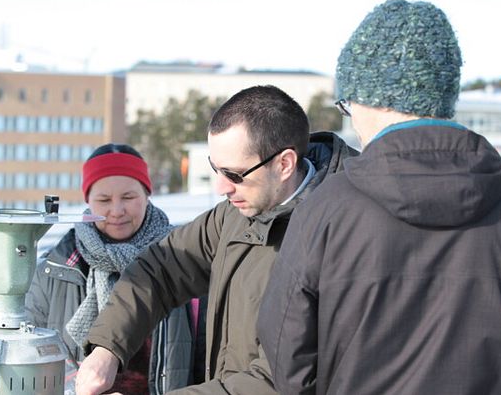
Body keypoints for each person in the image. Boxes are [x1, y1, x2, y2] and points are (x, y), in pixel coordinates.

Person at [257, 0, 501, 395]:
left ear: (369, 100)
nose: (352, 121)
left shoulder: (325, 210)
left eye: (347, 106)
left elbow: (288, 358)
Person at [74, 85, 358, 395]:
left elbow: (281, 378)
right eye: (215, 169)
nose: (222, 187)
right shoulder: (233, 215)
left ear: (285, 163)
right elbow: (159, 269)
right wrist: (107, 349)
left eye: (234, 174)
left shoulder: (344, 230)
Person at [26, 143, 205, 394]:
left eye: (129, 197)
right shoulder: (55, 268)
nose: (117, 211)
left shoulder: (182, 260)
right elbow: (32, 357)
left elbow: (207, 358)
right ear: (87, 200)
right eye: (104, 200)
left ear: (147, 194)